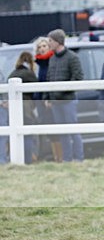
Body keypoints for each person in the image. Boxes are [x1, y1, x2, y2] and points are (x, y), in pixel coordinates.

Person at [43, 29, 84, 162]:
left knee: (73, 130)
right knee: (62, 132)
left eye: (50, 41)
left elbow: (78, 77)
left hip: (68, 100)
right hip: (55, 102)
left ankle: (78, 158)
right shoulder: (52, 58)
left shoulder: (72, 57)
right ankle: (67, 159)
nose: (48, 43)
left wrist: (62, 91)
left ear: (57, 41)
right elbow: (49, 79)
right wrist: (47, 97)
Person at [8, 51, 39, 164]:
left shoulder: (13, 73)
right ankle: (28, 159)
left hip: (13, 107)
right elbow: (36, 91)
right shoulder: (29, 74)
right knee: (28, 133)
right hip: (25, 106)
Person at [32, 37, 60, 162]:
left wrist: (49, 98)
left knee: (56, 130)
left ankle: (60, 157)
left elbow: (52, 81)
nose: (42, 49)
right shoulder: (40, 63)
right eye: (40, 47)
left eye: (44, 46)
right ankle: (56, 157)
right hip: (41, 101)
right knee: (50, 131)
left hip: (50, 101)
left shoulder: (52, 61)